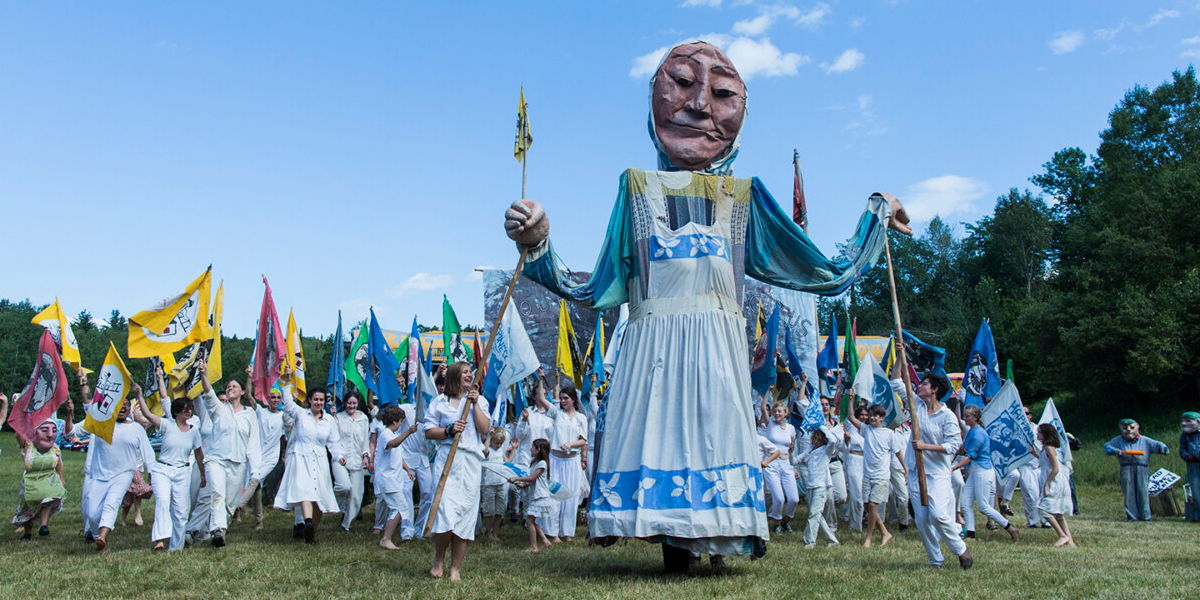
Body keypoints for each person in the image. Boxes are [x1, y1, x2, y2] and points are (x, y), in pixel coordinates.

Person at [503, 39, 906, 572]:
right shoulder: (637, 188)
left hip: (717, 352)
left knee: (713, 442)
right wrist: (537, 243)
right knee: (665, 441)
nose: (699, 105)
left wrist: (875, 218)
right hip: (655, 349)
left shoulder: (743, 197)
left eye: (721, 92)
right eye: (681, 83)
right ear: (654, 98)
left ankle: (714, 541)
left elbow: (820, 273)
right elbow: (598, 287)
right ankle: (674, 546)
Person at [423, 361, 490, 580]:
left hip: (470, 462)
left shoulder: (478, 401)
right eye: (465, 372)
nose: (470, 375)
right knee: (445, 511)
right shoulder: (439, 402)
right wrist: (448, 430)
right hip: (447, 460)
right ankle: (439, 560)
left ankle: (455, 569)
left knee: (464, 514)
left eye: (471, 372)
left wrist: (475, 403)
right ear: (454, 376)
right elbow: (429, 431)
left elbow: (484, 429)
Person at [900, 373, 973, 569]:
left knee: (938, 515)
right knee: (922, 520)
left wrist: (926, 446)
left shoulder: (947, 416)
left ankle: (961, 550)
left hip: (938, 472)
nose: (920, 386)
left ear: (934, 390)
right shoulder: (917, 407)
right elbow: (897, 383)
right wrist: (899, 354)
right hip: (916, 471)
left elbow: (953, 445)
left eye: (924, 384)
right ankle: (936, 560)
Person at [273, 367, 346, 545]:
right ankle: (306, 521)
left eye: (321, 400)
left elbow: (334, 441)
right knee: (305, 490)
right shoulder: (301, 414)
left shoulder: (329, 420)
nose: (318, 403)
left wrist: (339, 456)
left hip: (320, 458)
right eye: (316, 399)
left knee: (320, 497)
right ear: (309, 400)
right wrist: (288, 381)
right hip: (301, 456)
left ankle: (311, 531)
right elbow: (288, 403)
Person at [195, 358, 261, 547]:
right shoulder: (218, 409)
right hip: (216, 459)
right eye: (228, 386)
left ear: (242, 392)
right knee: (217, 493)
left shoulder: (249, 415)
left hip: (238, 463)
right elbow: (208, 392)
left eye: (234, 386)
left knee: (231, 503)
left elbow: (253, 444)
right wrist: (203, 373)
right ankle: (217, 530)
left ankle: (218, 532)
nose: (230, 388)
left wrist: (255, 470)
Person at [85, 390, 156, 552]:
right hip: (100, 475)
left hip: (124, 474)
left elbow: (148, 452)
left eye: (126, 405)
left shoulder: (136, 429)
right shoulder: (101, 424)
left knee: (112, 503)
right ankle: (99, 539)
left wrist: (152, 471)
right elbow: (86, 412)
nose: (123, 407)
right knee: (92, 513)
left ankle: (102, 536)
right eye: (119, 404)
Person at [137, 385, 206, 552]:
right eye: (184, 410)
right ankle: (160, 539)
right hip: (163, 470)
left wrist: (203, 475)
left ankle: (176, 547)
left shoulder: (194, 431)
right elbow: (147, 414)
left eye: (189, 409)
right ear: (176, 412)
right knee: (163, 501)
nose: (188, 412)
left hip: (183, 471)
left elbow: (199, 455)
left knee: (181, 511)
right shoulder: (166, 424)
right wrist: (139, 394)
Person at [952, 405, 1019, 541]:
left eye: (967, 416)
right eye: (965, 416)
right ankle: (971, 534)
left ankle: (1010, 528)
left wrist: (954, 467)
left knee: (983, 506)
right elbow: (968, 451)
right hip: (976, 470)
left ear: (975, 418)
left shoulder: (978, 434)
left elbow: (971, 456)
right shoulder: (972, 431)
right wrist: (961, 451)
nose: (965, 418)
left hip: (983, 471)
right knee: (965, 503)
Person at [240, 367, 286, 531]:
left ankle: (234, 507)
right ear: (267, 398)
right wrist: (249, 377)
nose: (275, 400)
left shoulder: (282, 416)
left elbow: (283, 438)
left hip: (270, 458)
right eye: (272, 397)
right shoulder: (260, 412)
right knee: (257, 486)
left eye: (278, 398)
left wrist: (283, 455)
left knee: (254, 481)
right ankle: (259, 521)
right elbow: (247, 397)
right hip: (256, 455)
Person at [847, 404, 899, 547]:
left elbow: (898, 452)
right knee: (869, 506)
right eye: (870, 415)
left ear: (882, 418)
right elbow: (851, 417)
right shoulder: (866, 430)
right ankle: (884, 532)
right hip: (867, 474)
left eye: (875, 416)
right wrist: (850, 399)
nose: (871, 418)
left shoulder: (889, 434)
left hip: (881, 475)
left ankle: (868, 538)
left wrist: (905, 469)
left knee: (873, 504)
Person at [12, 418, 68, 540]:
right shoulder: (28, 446)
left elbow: (58, 463)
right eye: (44, 430)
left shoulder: (55, 448)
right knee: (27, 507)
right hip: (31, 481)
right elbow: (18, 435)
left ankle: (44, 525)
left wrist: (61, 477)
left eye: (53, 430)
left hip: (49, 479)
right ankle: (27, 533)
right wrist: (23, 419)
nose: (50, 434)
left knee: (49, 499)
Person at [1104, 418, 1169, 522]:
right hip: (1126, 467)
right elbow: (1107, 447)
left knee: (1142, 492)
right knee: (1129, 493)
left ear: (1137, 426)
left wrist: (1163, 448)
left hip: (1141, 468)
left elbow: (1157, 445)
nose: (1129, 430)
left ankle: (1145, 517)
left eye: (1132, 427)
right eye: (1124, 428)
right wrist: (1114, 451)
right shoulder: (1118, 440)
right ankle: (1132, 517)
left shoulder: (1145, 440)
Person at [546, 384, 588, 542]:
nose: (563, 401)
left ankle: (567, 532)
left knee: (570, 496)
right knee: (555, 495)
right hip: (556, 460)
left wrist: (570, 444)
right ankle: (553, 532)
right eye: (561, 398)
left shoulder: (581, 418)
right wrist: (541, 376)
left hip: (572, 461)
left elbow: (583, 440)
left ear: (573, 400)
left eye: (566, 398)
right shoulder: (558, 414)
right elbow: (544, 400)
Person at [375, 405, 418, 550]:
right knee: (399, 508)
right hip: (387, 479)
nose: (401, 424)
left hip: (394, 478)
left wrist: (407, 469)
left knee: (400, 508)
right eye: (400, 421)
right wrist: (409, 431)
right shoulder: (386, 434)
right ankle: (386, 538)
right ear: (394, 421)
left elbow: (397, 457)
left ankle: (387, 537)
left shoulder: (392, 435)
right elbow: (393, 444)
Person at [1000, 405, 1043, 527]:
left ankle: (1046, 520)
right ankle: (1032, 521)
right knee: (1031, 494)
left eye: (1027, 413)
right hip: (1026, 465)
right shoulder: (1015, 431)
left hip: (1040, 465)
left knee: (1043, 495)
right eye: (1022, 414)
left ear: (1031, 415)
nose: (1025, 416)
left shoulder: (1038, 429)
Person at [509, 438, 555, 553]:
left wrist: (517, 478)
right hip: (536, 495)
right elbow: (532, 481)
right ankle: (545, 541)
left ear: (538, 449)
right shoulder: (535, 463)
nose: (530, 449)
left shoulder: (542, 463)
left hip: (540, 496)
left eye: (533, 447)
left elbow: (533, 478)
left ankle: (534, 547)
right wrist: (524, 485)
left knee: (529, 521)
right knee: (532, 520)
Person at [333, 393, 371, 532]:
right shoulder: (338, 418)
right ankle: (332, 506)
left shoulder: (363, 419)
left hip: (357, 460)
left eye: (354, 404)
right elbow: (333, 438)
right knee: (344, 487)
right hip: (341, 459)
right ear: (344, 403)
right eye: (349, 403)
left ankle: (346, 524)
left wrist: (366, 456)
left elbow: (365, 440)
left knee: (356, 494)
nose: (351, 406)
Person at [1033, 423, 1074, 547]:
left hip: (1054, 481)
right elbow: (1045, 462)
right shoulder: (1046, 449)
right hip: (1053, 479)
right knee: (1058, 513)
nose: (1037, 434)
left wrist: (1047, 484)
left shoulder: (1049, 448)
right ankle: (1070, 541)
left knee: (1044, 510)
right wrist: (1033, 453)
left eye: (1039, 432)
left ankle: (1062, 536)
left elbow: (1055, 468)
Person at [763, 402, 800, 533]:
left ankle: (786, 521)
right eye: (775, 411)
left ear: (785, 413)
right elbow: (763, 408)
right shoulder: (770, 425)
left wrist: (793, 466)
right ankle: (776, 523)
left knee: (794, 499)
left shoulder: (790, 428)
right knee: (778, 498)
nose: (777, 414)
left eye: (780, 411)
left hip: (786, 463)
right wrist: (767, 391)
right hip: (772, 463)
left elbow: (791, 449)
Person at [820, 396, 848, 529]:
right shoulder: (816, 426)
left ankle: (824, 513)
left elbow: (842, 447)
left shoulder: (836, 425)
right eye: (822, 404)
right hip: (823, 464)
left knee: (841, 496)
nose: (825, 407)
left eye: (826, 404)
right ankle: (831, 525)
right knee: (829, 497)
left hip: (835, 462)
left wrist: (847, 441)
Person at [841, 404, 867, 532]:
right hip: (853, 460)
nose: (864, 417)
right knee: (856, 496)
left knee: (863, 496)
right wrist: (851, 399)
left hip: (866, 462)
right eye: (861, 415)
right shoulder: (850, 426)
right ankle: (855, 526)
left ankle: (860, 521)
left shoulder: (867, 429)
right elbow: (849, 415)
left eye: (866, 415)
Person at [480, 427, 509, 542]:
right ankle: (488, 531)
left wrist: (514, 450)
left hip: (500, 483)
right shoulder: (489, 451)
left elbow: (507, 463)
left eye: (501, 443)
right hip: (489, 484)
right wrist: (490, 436)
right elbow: (484, 450)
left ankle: (495, 532)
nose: (499, 445)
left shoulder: (501, 451)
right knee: (489, 510)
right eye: (497, 443)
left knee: (499, 510)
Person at [885, 420, 910, 531]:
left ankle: (907, 517)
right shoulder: (890, 431)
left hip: (910, 466)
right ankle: (903, 523)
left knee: (907, 495)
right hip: (896, 466)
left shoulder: (908, 429)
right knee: (903, 496)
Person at [1180, 412, 1200, 522]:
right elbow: (1182, 450)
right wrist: (1187, 456)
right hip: (1193, 465)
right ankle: (1198, 515)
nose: (1184, 423)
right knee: (1196, 493)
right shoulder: (1185, 436)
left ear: (1198, 422)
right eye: (1183, 421)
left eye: (1188, 421)